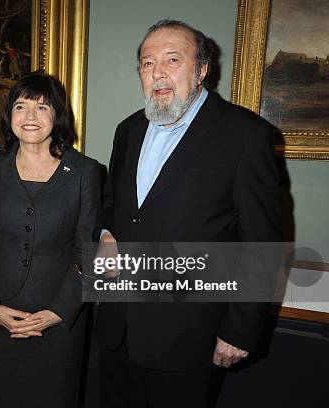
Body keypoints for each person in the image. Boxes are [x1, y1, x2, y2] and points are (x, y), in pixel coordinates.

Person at [95, 20, 281, 408]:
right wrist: (105, 234)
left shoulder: (246, 135)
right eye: (147, 64)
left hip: (189, 338)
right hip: (117, 329)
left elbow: (263, 241)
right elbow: (112, 204)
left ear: (201, 70)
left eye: (172, 60)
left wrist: (241, 329)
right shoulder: (127, 129)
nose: (157, 72)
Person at [0, 72, 100, 408]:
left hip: (57, 324)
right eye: (21, 107)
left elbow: (90, 251)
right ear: (9, 116)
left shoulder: (85, 172)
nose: (30, 117)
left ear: (58, 115)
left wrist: (58, 311)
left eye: (42, 107)